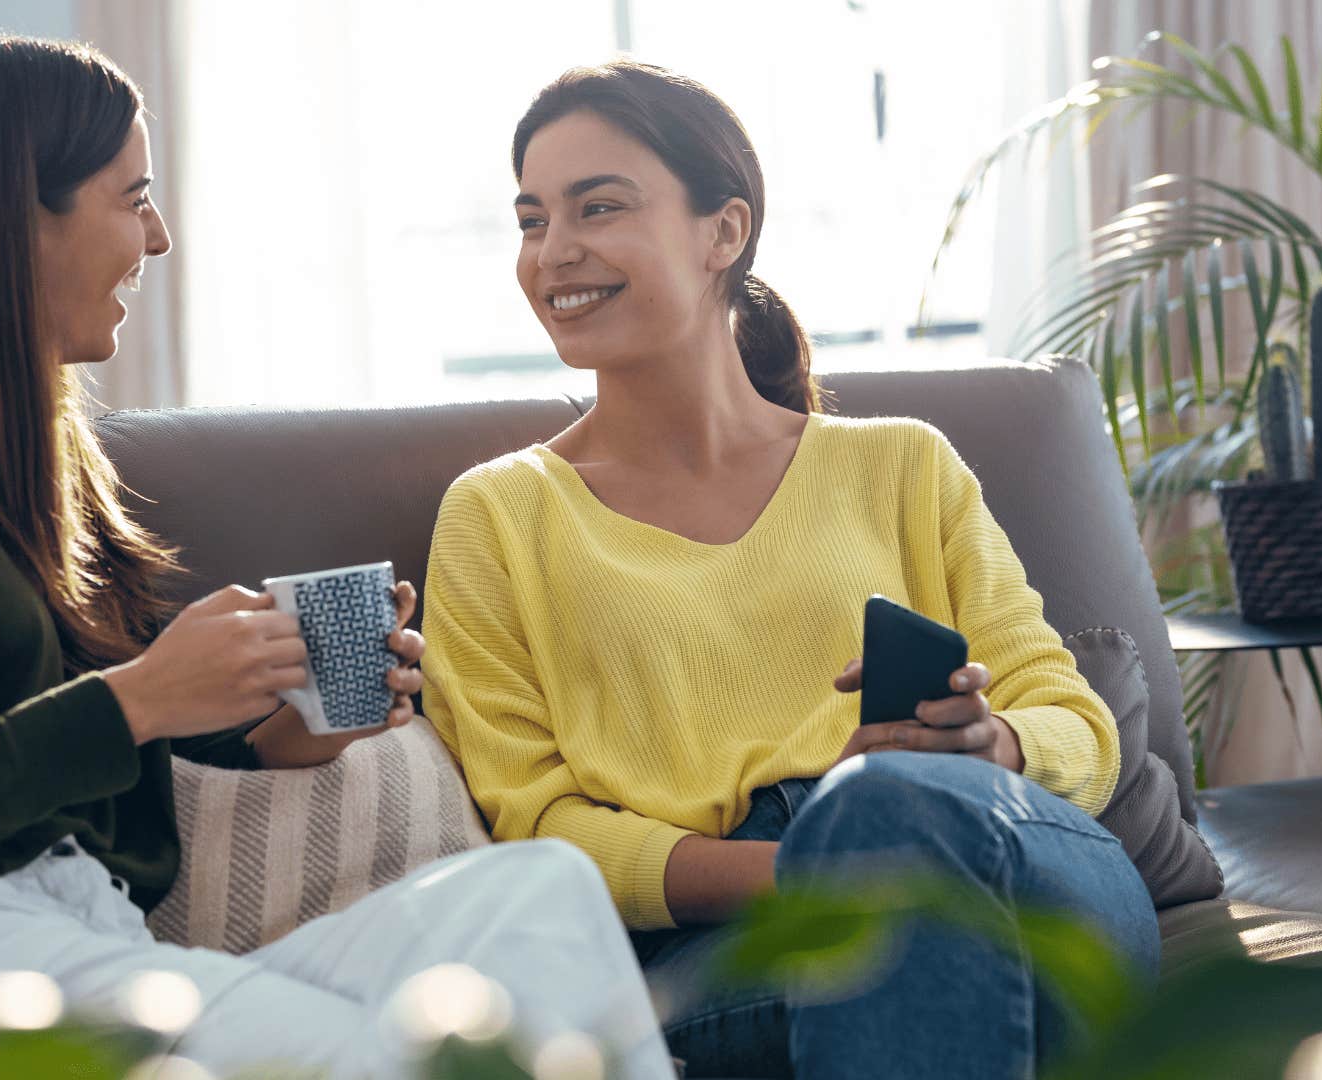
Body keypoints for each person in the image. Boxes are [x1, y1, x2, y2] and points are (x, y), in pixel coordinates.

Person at [0, 35, 675, 1079]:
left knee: (539, 896)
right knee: (384, 1059)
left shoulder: (43, 460)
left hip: (88, 932)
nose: (159, 236)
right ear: (16, 217)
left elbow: (79, 769)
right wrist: (140, 698)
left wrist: (277, 737)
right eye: (130, 197)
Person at [420, 59, 1160, 1079]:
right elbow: (536, 824)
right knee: (918, 925)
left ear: (723, 230)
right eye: (531, 220)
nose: (555, 252)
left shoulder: (902, 463)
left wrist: (995, 747)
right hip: (738, 933)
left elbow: (1076, 723)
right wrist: (828, 871)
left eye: (598, 207)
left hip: (1007, 854)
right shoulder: (499, 515)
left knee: (897, 811)